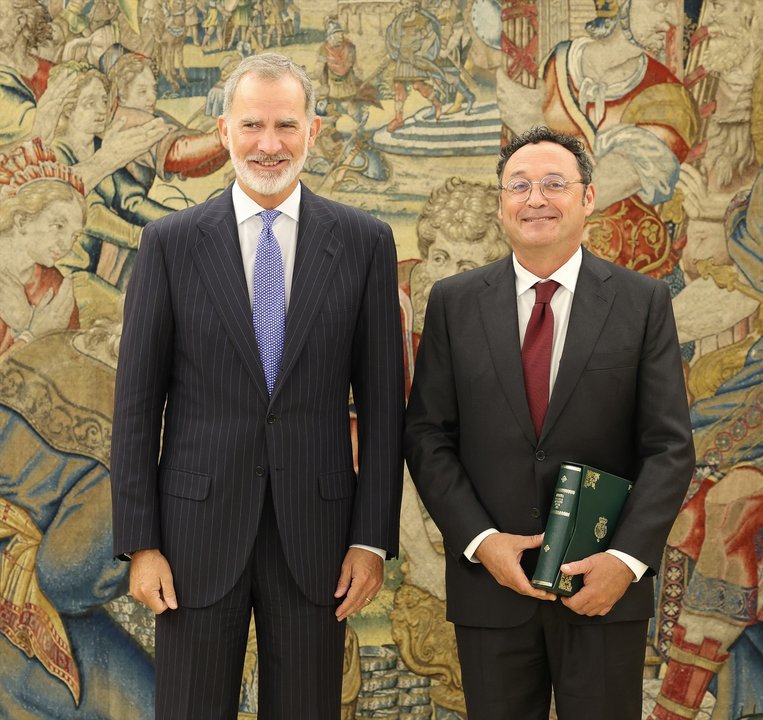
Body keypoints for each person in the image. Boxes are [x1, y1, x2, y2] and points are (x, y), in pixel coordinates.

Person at [110, 52, 405, 719]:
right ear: (222, 131)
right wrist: (141, 541)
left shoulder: (364, 243)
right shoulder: (169, 242)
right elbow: (134, 405)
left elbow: (385, 407)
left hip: (319, 538)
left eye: (284, 125)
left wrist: (369, 538)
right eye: (251, 126)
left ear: (314, 131)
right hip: (192, 538)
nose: (268, 145)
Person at [404, 126, 695, 720]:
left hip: (603, 588)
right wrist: (483, 545)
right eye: (520, 185)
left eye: (554, 184)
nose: (535, 198)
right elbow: (428, 435)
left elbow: (669, 447)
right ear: (503, 200)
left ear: (587, 198)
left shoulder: (641, 302)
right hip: (492, 588)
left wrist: (626, 561)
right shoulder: (455, 304)